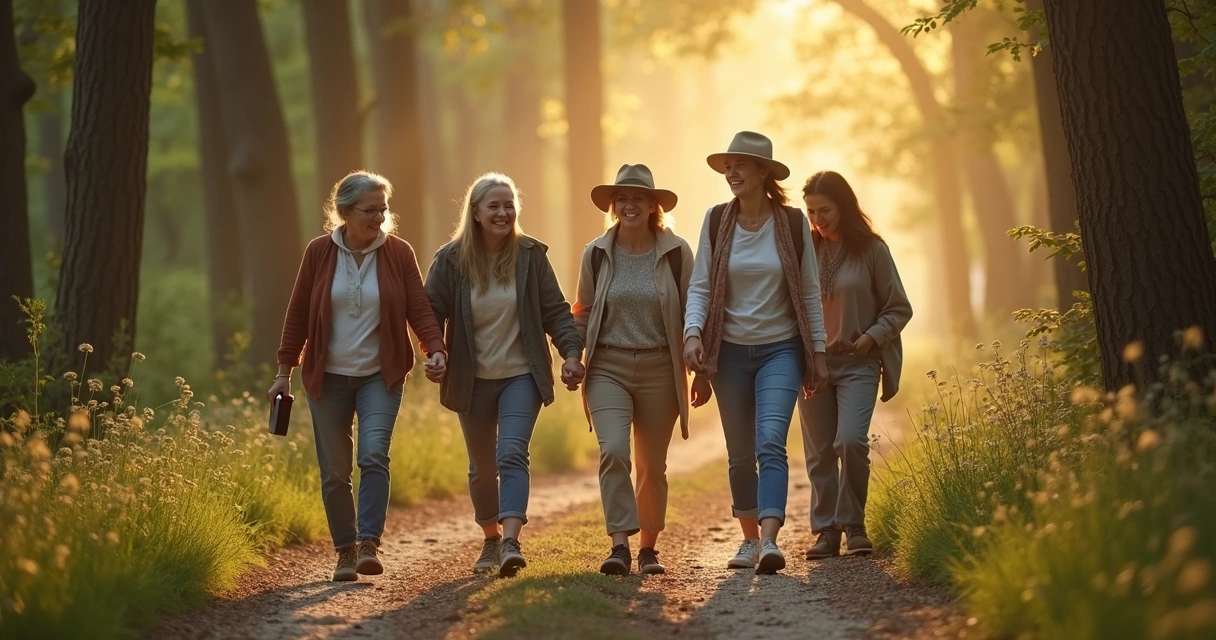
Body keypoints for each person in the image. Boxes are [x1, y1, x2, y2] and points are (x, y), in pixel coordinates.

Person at [269, 170, 447, 582]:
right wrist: (284, 371)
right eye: (370, 211)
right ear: (345, 212)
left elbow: (418, 308)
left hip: (378, 377)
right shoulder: (318, 253)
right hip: (326, 378)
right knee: (334, 470)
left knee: (372, 454)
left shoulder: (398, 253)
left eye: (384, 210)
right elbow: (297, 315)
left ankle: (369, 543)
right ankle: (344, 551)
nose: (379, 219)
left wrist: (435, 349)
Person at [425, 172, 585, 578]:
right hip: (471, 378)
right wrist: (436, 352)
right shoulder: (451, 259)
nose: (502, 212)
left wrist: (570, 352)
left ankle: (512, 542)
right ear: (476, 212)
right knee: (482, 468)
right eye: (493, 206)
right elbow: (430, 313)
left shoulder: (530, 255)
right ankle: (490, 539)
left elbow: (555, 311)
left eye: (508, 204)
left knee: (511, 453)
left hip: (521, 375)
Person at [683, 131, 828, 574]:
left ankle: (768, 540)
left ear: (763, 171)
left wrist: (816, 350)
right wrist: (693, 333)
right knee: (740, 451)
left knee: (770, 441)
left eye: (740, 165)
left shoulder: (791, 223)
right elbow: (702, 284)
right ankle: (747, 540)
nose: (732, 172)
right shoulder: (714, 221)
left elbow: (808, 290)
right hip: (727, 352)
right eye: (728, 166)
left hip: (780, 349)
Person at [573, 164, 710, 576]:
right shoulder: (597, 253)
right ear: (613, 207)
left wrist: (702, 369)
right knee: (613, 451)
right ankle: (620, 546)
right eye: (622, 198)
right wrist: (570, 354)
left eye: (638, 197)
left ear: (653, 205)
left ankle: (648, 548)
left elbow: (695, 311)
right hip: (607, 366)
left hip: (660, 367)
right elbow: (582, 312)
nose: (629, 204)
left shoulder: (675, 252)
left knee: (653, 464)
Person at [797, 171, 912, 559]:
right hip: (814, 366)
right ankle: (827, 531)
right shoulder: (803, 252)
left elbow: (899, 307)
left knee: (850, 441)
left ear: (844, 206)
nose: (817, 219)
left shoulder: (872, 251)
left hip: (859, 362)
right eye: (811, 211)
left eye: (824, 210)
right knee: (818, 453)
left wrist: (873, 337)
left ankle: (854, 524)